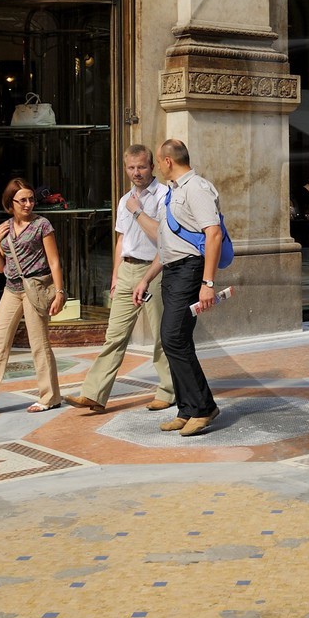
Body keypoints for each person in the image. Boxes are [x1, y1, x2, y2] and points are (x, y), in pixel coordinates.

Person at [68, 145, 174, 415]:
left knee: (162, 334)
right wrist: (115, 275)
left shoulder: (164, 196)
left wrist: (138, 211)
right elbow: (121, 239)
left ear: (152, 166)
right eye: (131, 167)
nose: (136, 173)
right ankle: (94, 394)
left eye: (141, 167)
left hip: (155, 271)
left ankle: (168, 391)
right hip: (127, 271)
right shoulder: (124, 198)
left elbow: (163, 237)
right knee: (114, 336)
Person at [132, 139, 222, 438]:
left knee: (173, 337)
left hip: (190, 271)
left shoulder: (196, 188)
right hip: (172, 271)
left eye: (158, 160)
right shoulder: (175, 192)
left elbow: (213, 234)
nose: (157, 166)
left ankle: (203, 408)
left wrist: (207, 283)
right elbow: (169, 243)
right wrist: (146, 278)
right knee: (174, 341)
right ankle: (188, 409)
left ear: (168, 161)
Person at [0, 178, 65, 415]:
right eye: (23, 200)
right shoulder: (4, 228)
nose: (28, 204)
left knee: (39, 344)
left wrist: (59, 292)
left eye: (31, 199)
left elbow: (54, 260)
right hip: (11, 289)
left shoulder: (42, 225)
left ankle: (50, 397)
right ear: (11, 203)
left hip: (35, 288)